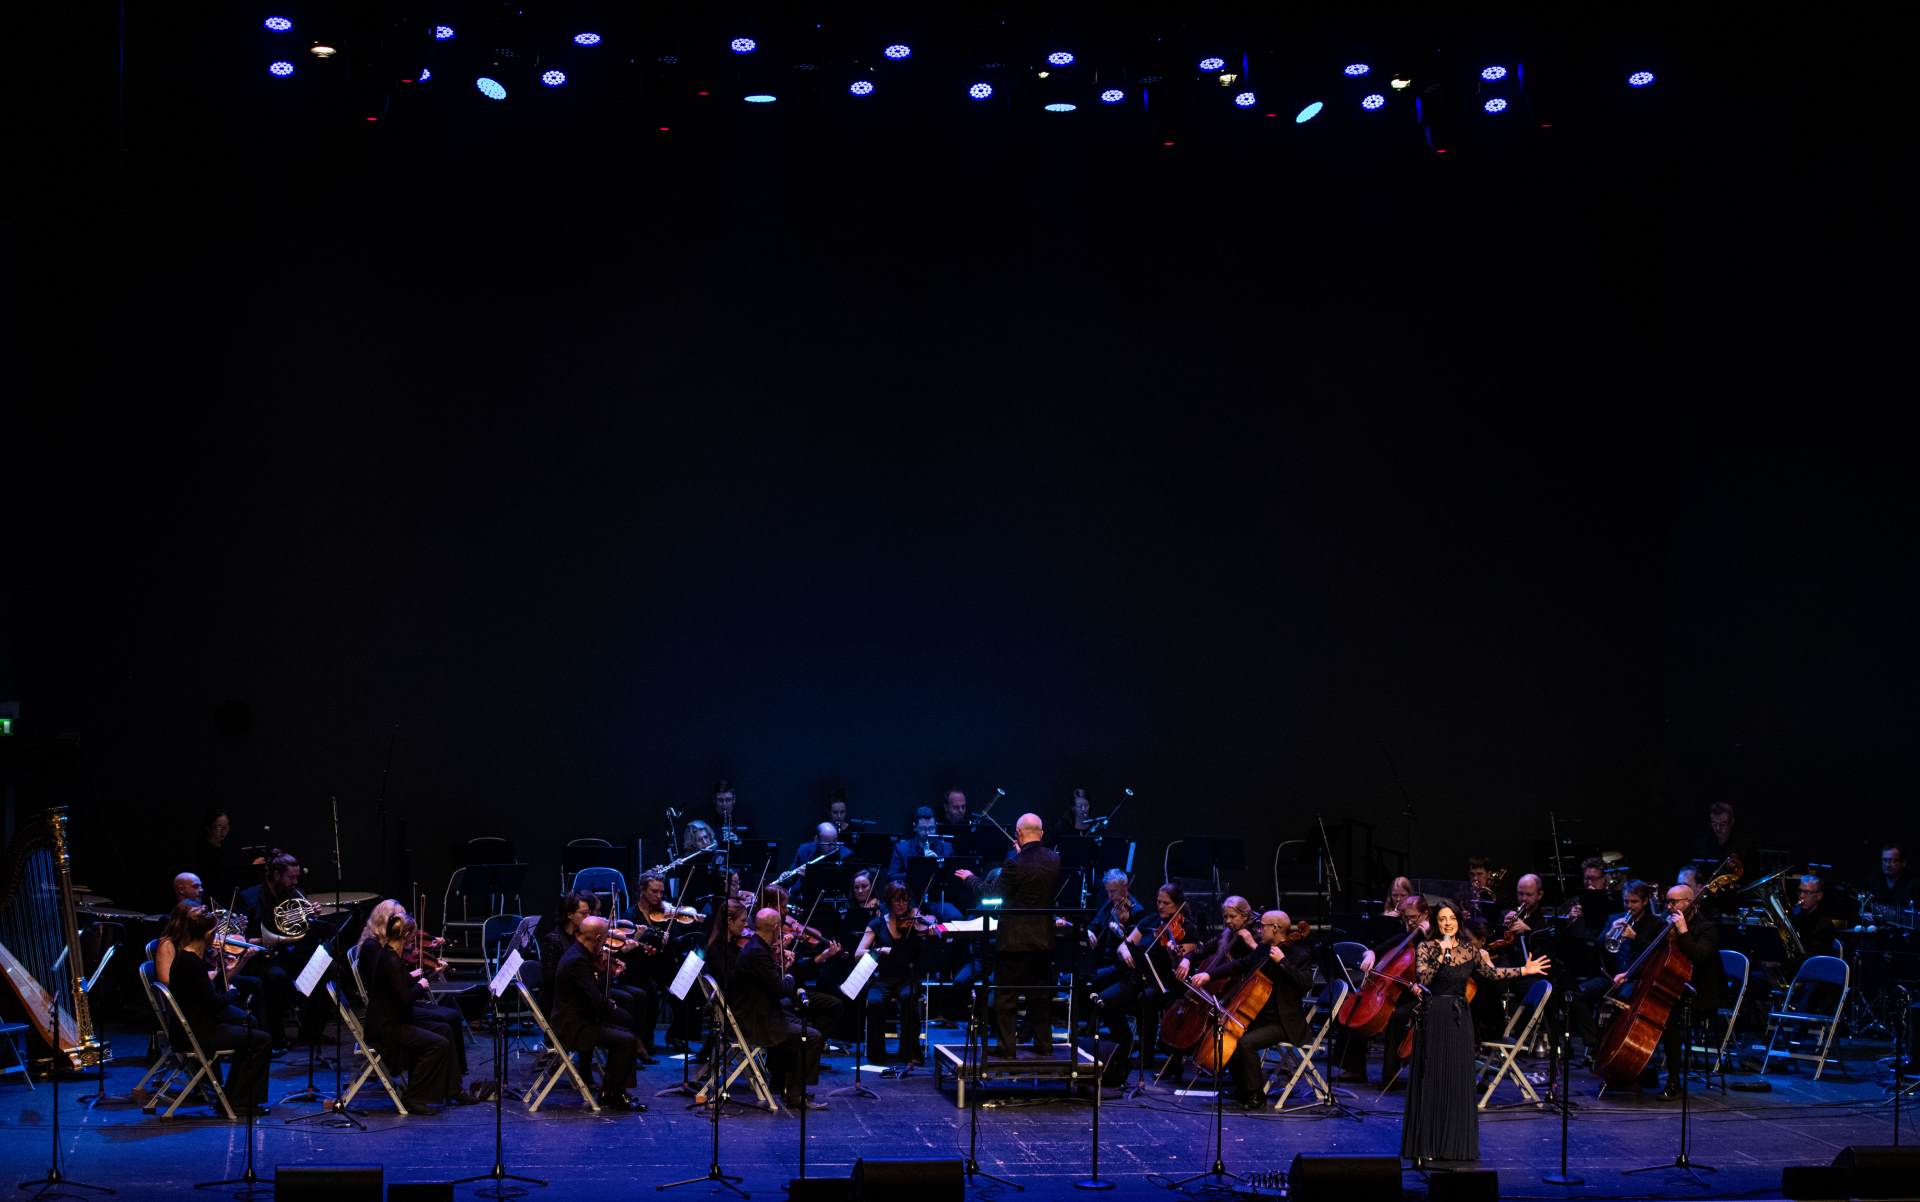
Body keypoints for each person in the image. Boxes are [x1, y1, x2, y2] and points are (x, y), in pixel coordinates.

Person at [1402, 902, 1549, 1165]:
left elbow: (1492, 973)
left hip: (1459, 1018)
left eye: (1451, 918)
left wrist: (1524, 970)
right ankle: (1428, 1143)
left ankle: (1455, 1145)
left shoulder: (1470, 950)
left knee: (1457, 1080)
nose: (1448, 923)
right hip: (1434, 1016)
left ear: (1458, 921)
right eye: (1442, 919)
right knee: (1433, 1078)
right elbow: (1423, 979)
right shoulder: (1426, 947)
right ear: (1436, 923)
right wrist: (1443, 953)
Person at [1188, 910, 1315, 1108]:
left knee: (1246, 1042)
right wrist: (1209, 975)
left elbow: (1306, 983)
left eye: (1262, 926)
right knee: (1230, 1034)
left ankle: (1256, 1095)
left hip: (1284, 1022)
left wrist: (1283, 961)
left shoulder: (1299, 953)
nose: (1258, 930)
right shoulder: (1263, 949)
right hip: (1260, 1017)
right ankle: (1242, 1087)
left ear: (1275, 928)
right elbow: (1239, 965)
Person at [1610, 884, 1720, 1098]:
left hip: (1697, 993)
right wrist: (1628, 974)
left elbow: (1699, 957)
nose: (1668, 907)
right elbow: (1654, 957)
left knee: (1669, 1022)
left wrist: (1683, 932)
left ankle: (1673, 1081)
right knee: (1625, 1003)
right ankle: (1635, 1070)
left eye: (1673, 902)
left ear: (1689, 902)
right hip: (1670, 987)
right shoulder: (1666, 925)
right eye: (1667, 902)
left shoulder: (1707, 928)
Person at [164, 905, 272, 1115]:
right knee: (262, 1040)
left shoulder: (188, 957)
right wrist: (233, 992)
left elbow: (205, 995)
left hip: (196, 1026)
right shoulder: (191, 962)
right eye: (214, 933)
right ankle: (238, 1102)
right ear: (207, 934)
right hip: (198, 1033)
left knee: (251, 1033)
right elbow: (214, 1002)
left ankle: (234, 1098)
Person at [361, 912, 459, 1113]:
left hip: (396, 1020)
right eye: (412, 936)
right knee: (438, 1044)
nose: (414, 940)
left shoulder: (389, 955)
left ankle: (452, 1090)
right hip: (387, 1028)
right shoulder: (390, 959)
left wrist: (420, 976)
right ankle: (414, 1097)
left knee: (444, 1030)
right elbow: (405, 998)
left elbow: (397, 985)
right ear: (405, 935)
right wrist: (421, 986)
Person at [731, 907, 827, 1109]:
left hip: (760, 1012)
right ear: (775, 927)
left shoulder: (757, 946)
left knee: (801, 1023)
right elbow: (780, 989)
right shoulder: (758, 952)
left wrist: (779, 966)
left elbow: (767, 981)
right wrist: (789, 974)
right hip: (756, 1021)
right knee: (812, 1037)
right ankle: (796, 1095)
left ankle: (783, 1084)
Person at [549, 916, 648, 1111]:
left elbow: (590, 994)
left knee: (625, 1031)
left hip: (580, 1019)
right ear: (596, 938)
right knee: (626, 1040)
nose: (605, 943)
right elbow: (596, 999)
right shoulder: (578, 961)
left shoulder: (579, 952)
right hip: (573, 1028)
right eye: (604, 938)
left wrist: (605, 973)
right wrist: (610, 1005)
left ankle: (611, 1090)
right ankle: (614, 1094)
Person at [1332, 894, 1429, 1086]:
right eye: (1405, 918)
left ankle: (1389, 1075)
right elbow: (1379, 948)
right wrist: (1370, 954)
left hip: (1418, 994)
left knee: (1395, 1017)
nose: (1409, 922)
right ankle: (1354, 1069)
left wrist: (1426, 936)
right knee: (1353, 1008)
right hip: (1395, 990)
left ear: (1425, 914)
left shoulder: (1433, 939)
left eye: (1413, 917)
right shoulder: (1404, 937)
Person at [992, 813, 1062, 1057]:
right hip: (1043, 940)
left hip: (1014, 942)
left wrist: (970, 879)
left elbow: (993, 893)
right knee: (1040, 996)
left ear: (1018, 834)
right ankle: (1044, 1045)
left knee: (1006, 997)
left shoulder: (1014, 863)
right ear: (1041, 834)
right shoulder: (1055, 860)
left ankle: (1007, 1048)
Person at [853, 880, 933, 1064]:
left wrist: (929, 932)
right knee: (874, 1003)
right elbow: (858, 953)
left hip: (907, 978)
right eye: (897, 900)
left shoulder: (914, 922)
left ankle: (909, 1054)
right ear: (889, 901)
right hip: (882, 979)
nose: (902, 904)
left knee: (910, 998)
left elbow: (929, 938)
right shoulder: (877, 924)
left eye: (905, 900)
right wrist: (879, 950)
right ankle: (877, 1055)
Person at [888, 807, 953, 878]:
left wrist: (937, 863)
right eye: (923, 829)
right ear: (915, 827)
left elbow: (952, 875)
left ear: (936, 826)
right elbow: (891, 876)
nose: (927, 833)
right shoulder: (901, 849)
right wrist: (919, 871)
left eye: (931, 828)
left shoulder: (947, 848)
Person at [1870, 843, 1915, 907]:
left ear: (1903, 863)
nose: (1888, 865)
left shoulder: (1914, 884)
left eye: (1893, 861)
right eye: (1885, 860)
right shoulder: (1874, 881)